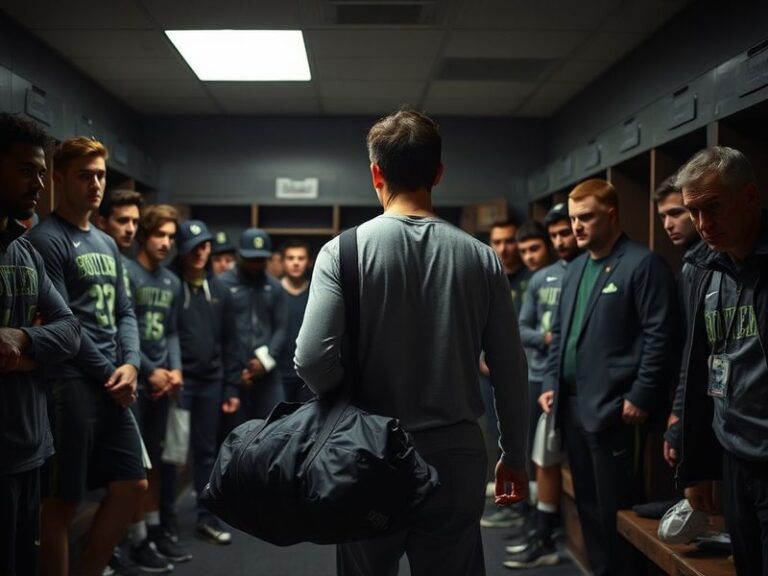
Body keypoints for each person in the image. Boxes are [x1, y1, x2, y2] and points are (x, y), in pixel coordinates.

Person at [295, 109, 529, 576]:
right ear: (438, 174)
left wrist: (345, 396)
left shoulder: (342, 251)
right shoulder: (482, 258)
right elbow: (509, 368)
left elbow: (311, 360)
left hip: (368, 451)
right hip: (456, 457)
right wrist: (515, 455)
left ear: (375, 173)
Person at [541, 178, 677, 576]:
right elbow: (560, 336)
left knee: (617, 509)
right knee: (587, 504)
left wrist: (642, 394)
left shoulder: (642, 263)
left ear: (611, 213)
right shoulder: (575, 268)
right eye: (572, 218)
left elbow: (660, 337)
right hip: (572, 407)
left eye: (586, 217)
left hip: (617, 410)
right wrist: (550, 383)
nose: (577, 226)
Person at [27, 137, 146, 576]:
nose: (96, 184)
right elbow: (64, 325)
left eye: (100, 175)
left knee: (133, 484)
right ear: (58, 179)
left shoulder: (106, 242)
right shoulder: (46, 239)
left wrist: (132, 364)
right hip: (71, 383)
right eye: (85, 175)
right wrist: (111, 374)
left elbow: (126, 311)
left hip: (114, 380)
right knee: (61, 503)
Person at [671, 147, 768, 576]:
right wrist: (691, 450)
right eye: (693, 212)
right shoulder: (700, 269)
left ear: (749, 196)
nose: (703, 225)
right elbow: (694, 363)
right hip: (732, 449)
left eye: (713, 208)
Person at [0, 113, 81, 576]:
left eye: (42, 171)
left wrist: (22, 339)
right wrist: (39, 352)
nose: (39, 182)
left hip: (31, 444)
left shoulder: (25, 250)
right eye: (25, 170)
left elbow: (69, 332)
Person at [506, 203, 580, 569]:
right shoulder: (541, 280)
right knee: (539, 456)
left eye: (564, 233)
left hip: (575, 382)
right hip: (539, 376)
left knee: (554, 457)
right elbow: (522, 328)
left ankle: (549, 531)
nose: (561, 240)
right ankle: (537, 527)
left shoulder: (582, 273)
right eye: (556, 234)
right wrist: (551, 338)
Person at [124, 205, 191, 570]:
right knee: (135, 466)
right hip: (138, 380)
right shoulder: (128, 273)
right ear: (144, 237)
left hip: (164, 384)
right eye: (159, 235)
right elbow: (124, 329)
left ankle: (152, 535)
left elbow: (172, 331)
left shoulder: (172, 282)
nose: (166, 243)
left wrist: (175, 370)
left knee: (156, 464)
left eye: (170, 236)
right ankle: (135, 541)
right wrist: (151, 370)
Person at [170, 219, 240, 545]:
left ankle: (205, 517)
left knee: (206, 451)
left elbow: (230, 343)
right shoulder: (170, 285)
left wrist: (231, 386)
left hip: (211, 383)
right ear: (181, 250)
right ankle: (165, 521)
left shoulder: (221, 291)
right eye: (193, 247)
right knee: (172, 453)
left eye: (205, 246)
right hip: (179, 385)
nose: (200, 252)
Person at [480, 217, 532, 529]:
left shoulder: (532, 278)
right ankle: (508, 500)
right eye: (497, 242)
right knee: (499, 434)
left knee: (520, 438)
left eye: (509, 240)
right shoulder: (488, 275)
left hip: (524, 374)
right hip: (488, 375)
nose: (504, 248)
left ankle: (521, 505)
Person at [219, 228, 287, 421]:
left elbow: (281, 329)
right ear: (240, 255)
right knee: (234, 434)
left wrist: (265, 363)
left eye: (260, 259)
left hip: (267, 371)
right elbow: (221, 332)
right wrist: (236, 372)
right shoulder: (223, 284)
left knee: (274, 428)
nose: (255, 264)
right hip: (233, 374)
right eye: (251, 258)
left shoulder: (274, 287)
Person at [277, 238, 313, 403]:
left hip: (308, 373)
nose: (296, 263)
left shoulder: (317, 292)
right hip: (277, 372)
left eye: (300, 258)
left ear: (308, 262)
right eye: (291, 258)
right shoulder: (273, 291)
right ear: (283, 262)